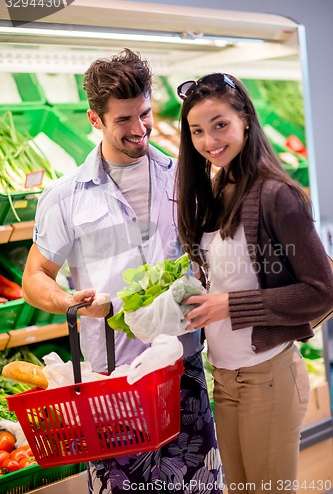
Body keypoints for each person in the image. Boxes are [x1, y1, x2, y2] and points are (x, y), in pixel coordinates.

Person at [22, 50, 222, 493]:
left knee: (200, 485)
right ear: (95, 119)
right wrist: (68, 301)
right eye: (123, 120)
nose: (139, 129)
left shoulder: (184, 177)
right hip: (112, 383)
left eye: (145, 114)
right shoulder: (64, 197)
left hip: (181, 368)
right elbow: (34, 276)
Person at [175, 72, 333, 494]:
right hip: (224, 377)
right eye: (197, 131)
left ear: (245, 119)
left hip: (267, 377)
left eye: (220, 124)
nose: (209, 141)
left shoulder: (277, 195)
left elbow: (323, 289)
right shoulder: (216, 187)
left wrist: (230, 305)